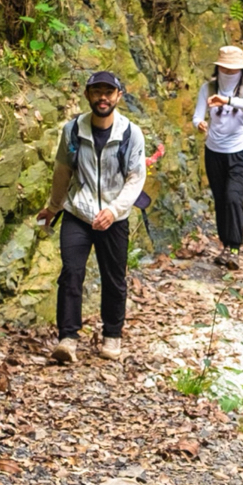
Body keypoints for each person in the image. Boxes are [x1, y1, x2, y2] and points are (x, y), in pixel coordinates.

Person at [39, 69, 147, 365]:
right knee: (71, 274)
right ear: (87, 95)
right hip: (78, 212)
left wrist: (113, 211)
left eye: (108, 92)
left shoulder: (130, 133)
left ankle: (112, 335)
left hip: (115, 216)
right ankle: (67, 339)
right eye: (97, 92)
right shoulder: (72, 130)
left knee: (114, 278)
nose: (103, 98)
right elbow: (62, 170)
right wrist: (53, 206)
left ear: (118, 97)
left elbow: (136, 179)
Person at [192, 42, 243, 269]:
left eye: (234, 69)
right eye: (225, 68)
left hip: (238, 153)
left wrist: (228, 100)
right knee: (221, 199)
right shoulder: (208, 88)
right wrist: (200, 123)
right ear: (218, 68)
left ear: (242, 70)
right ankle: (225, 246)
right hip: (213, 153)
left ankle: (234, 247)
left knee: (234, 198)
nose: (229, 73)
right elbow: (197, 116)